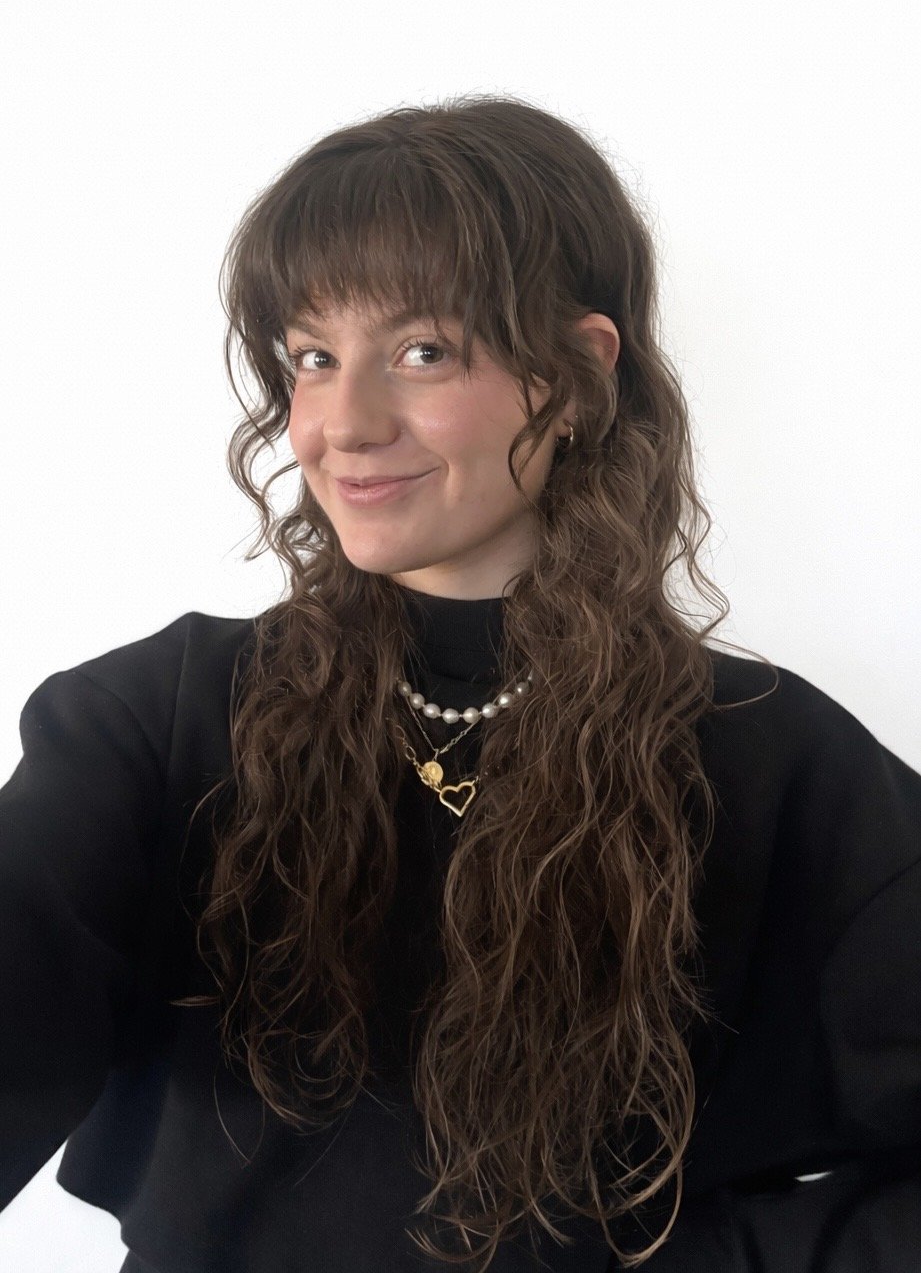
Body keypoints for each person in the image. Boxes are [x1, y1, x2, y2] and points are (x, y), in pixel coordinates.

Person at [1, 95, 919, 1273]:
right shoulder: (156, 724)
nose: (342, 423)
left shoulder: (772, 762)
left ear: (578, 376)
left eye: (421, 352)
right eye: (312, 357)